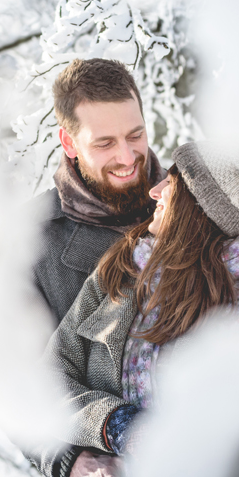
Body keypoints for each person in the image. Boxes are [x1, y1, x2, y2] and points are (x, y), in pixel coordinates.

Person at [37, 141, 239, 477]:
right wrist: (115, 424)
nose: (154, 190)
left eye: (171, 182)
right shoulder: (117, 276)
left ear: (200, 208)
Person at [31, 58, 166, 327]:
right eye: (105, 143)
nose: (127, 158)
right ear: (69, 143)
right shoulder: (30, 240)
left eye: (135, 136)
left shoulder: (197, 197)